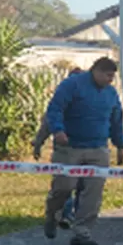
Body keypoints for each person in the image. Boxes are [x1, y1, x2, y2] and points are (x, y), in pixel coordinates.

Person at [42, 58, 123, 245]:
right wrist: (57, 130)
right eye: (107, 75)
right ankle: (53, 214)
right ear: (95, 71)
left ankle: (82, 231)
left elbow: (116, 119)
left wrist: (119, 145)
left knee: (93, 192)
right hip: (70, 147)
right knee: (64, 187)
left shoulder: (111, 94)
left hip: (98, 148)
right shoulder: (72, 85)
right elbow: (55, 109)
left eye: (113, 77)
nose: (110, 80)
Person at [34, 67, 85, 229]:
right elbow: (47, 124)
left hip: (84, 150)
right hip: (65, 151)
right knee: (67, 185)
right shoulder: (61, 102)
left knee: (80, 186)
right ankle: (66, 214)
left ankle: (71, 215)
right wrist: (38, 143)